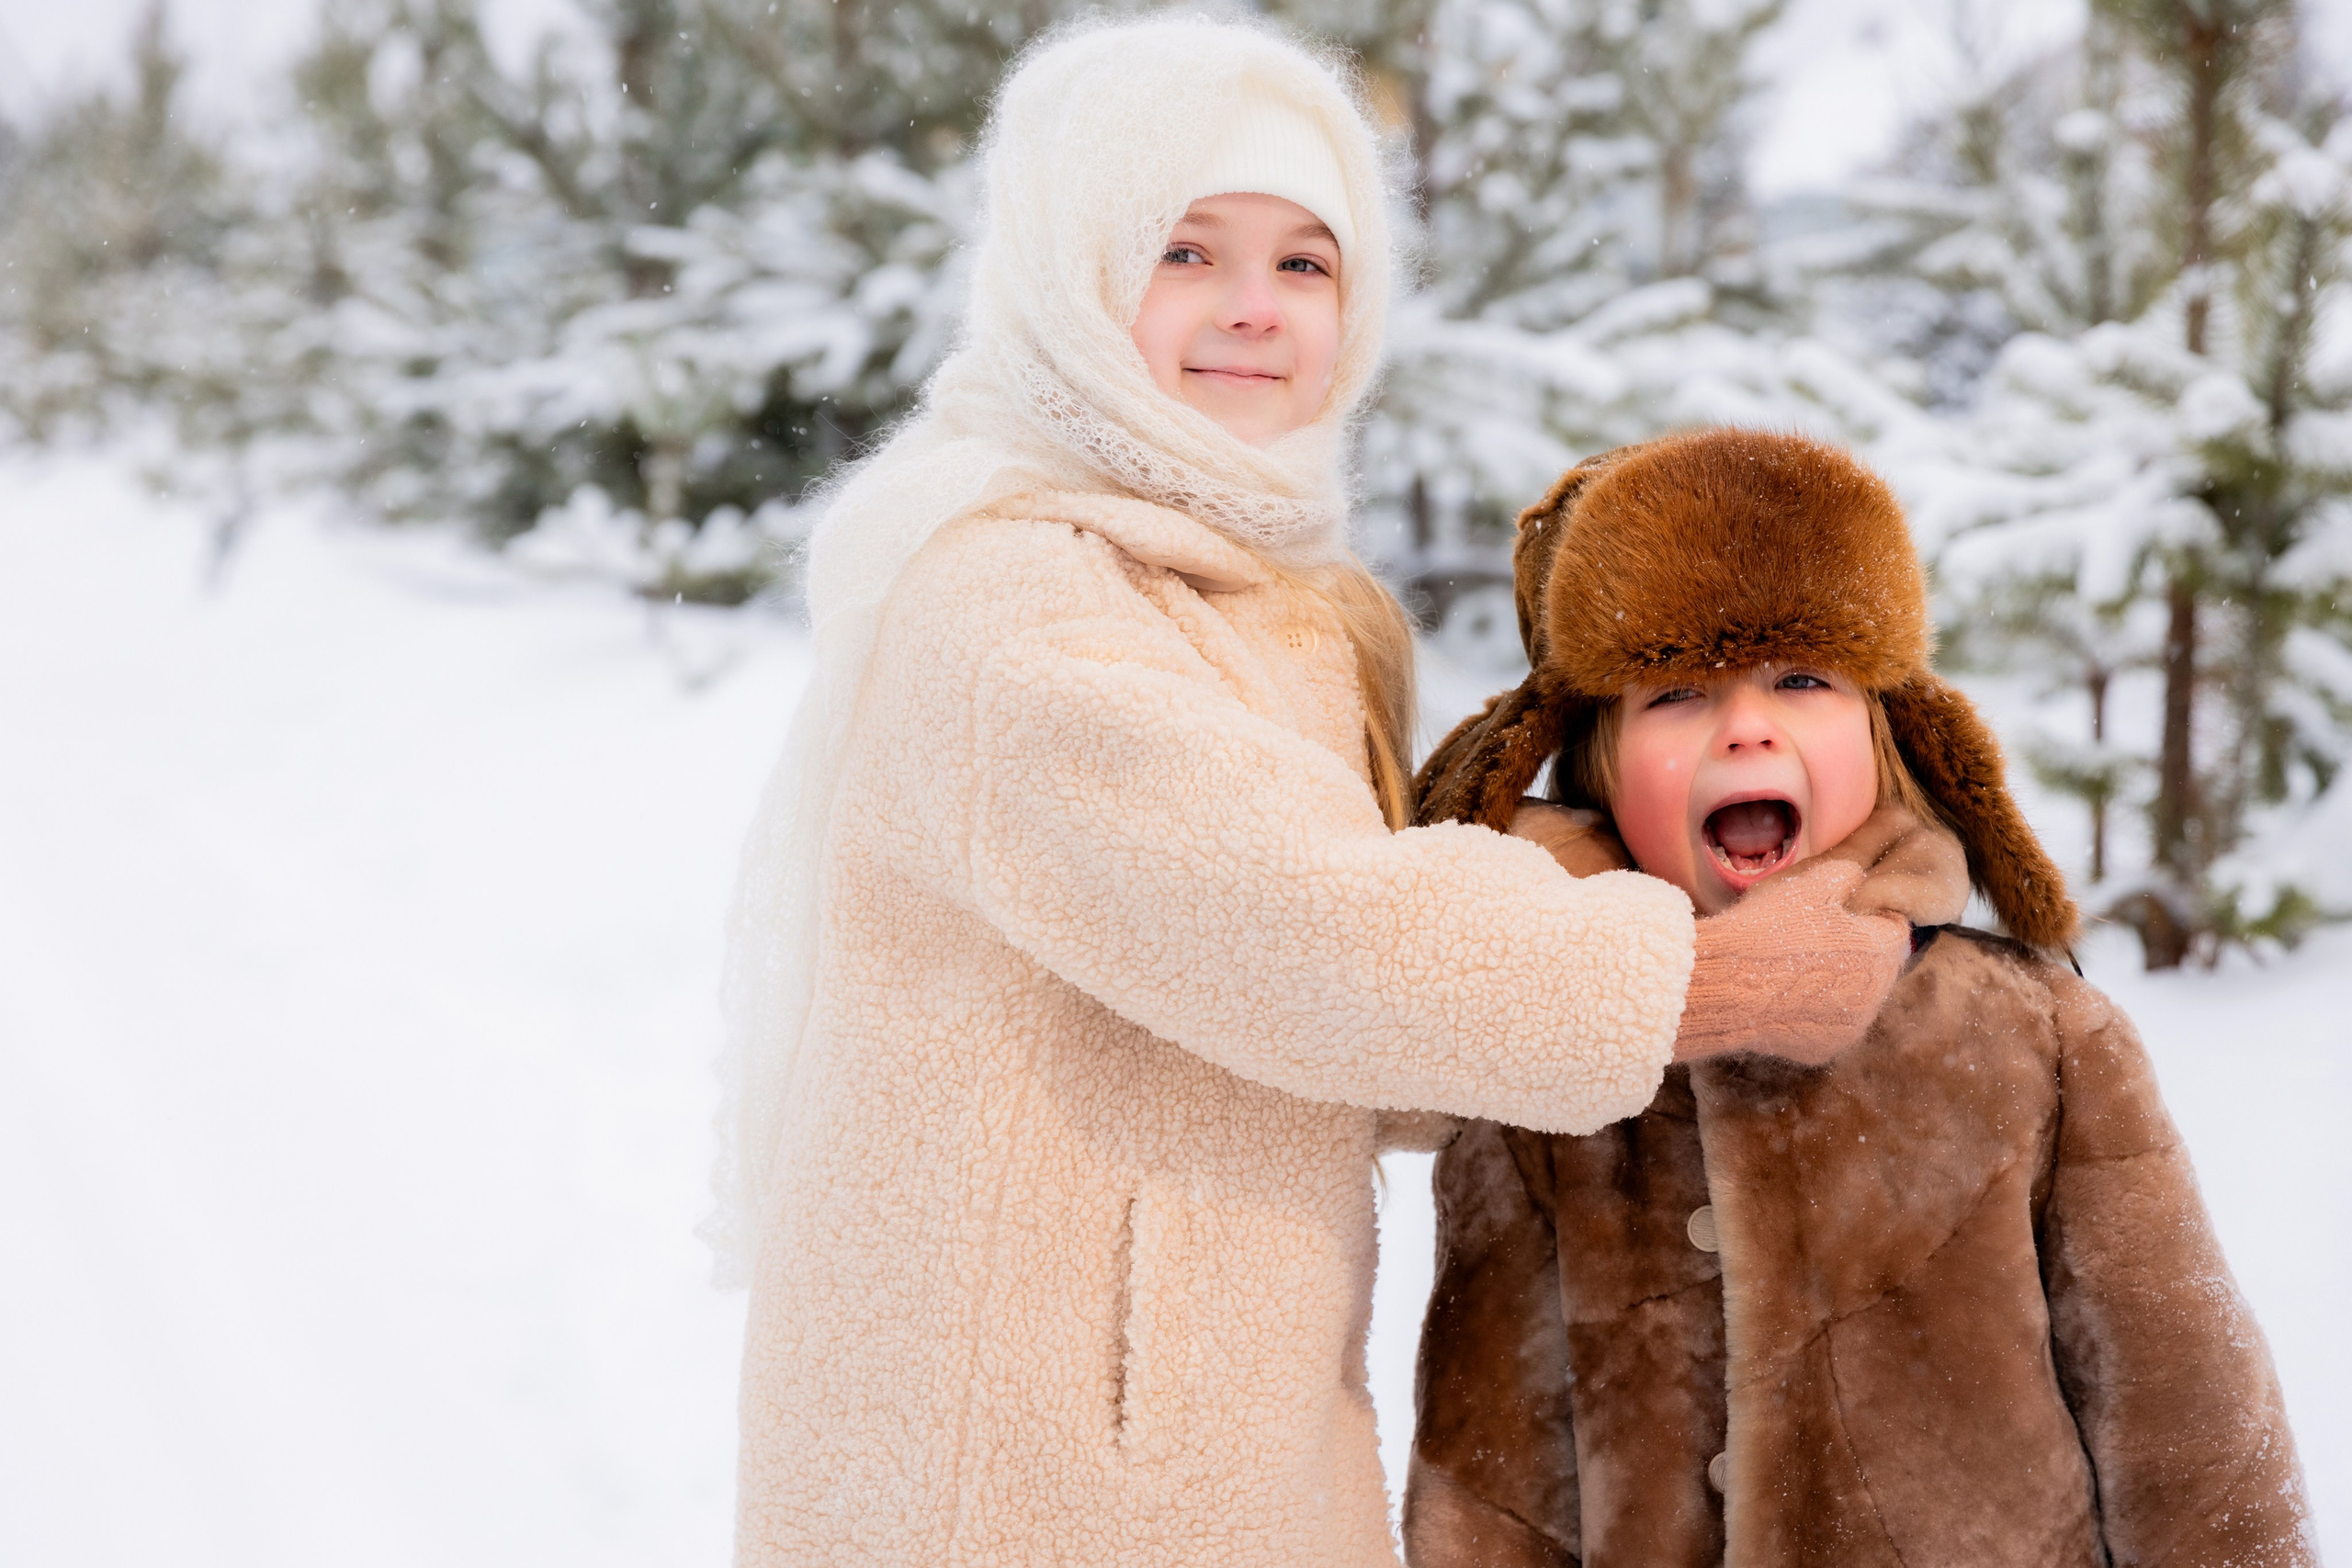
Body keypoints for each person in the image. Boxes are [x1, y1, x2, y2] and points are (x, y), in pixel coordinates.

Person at [715, 18, 1957, 1565]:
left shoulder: (1276, 606)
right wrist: (1714, 978)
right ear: (1069, 275)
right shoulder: (1014, 596)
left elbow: (1372, 1032)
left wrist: (1596, 873)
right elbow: (1304, 931)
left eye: (1307, 263)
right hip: (1021, 1470)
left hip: (1212, 1429)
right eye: (1186, 250)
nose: (1254, 308)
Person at [1405, 429, 2313, 1568]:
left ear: (1888, 733)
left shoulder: (2034, 1037)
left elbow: (2191, 1428)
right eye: (1676, 692)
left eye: (1801, 680)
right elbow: (1486, 1472)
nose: (1747, 724)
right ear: (1593, 763)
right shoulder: (1543, 1062)